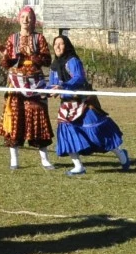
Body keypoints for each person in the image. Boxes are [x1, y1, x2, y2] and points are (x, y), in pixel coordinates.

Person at [48, 35, 131, 176]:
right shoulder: (54, 66)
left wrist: (63, 86)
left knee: (98, 133)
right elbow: (52, 84)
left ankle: (121, 155)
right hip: (66, 107)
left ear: (67, 45)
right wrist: (48, 90)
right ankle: (78, 166)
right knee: (67, 134)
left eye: (61, 44)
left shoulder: (73, 61)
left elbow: (79, 77)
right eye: (56, 44)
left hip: (83, 103)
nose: (58, 46)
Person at [0, 6, 55, 170]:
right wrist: (4, 57)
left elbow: (47, 61)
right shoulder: (12, 38)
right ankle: (14, 160)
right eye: (23, 17)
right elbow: (6, 64)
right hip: (15, 84)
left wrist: (33, 55)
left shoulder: (39, 39)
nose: (25, 20)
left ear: (33, 20)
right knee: (15, 119)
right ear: (19, 19)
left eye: (28, 17)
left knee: (38, 118)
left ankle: (44, 159)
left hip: (35, 84)